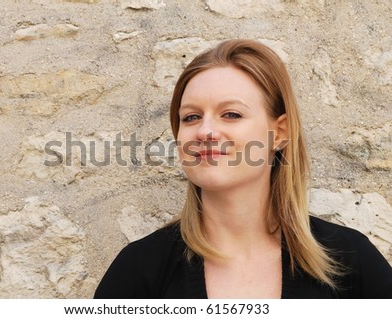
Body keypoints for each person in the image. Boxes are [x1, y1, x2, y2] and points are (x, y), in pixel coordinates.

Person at [94, 39, 392, 298]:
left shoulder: (350, 262)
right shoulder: (137, 272)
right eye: (191, 117)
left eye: (231, 114)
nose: (206, 131)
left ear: (280, 132)